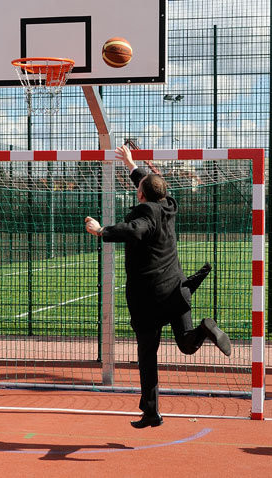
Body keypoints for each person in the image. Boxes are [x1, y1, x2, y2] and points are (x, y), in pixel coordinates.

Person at [84, 145, 231, 429]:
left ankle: (151, 411)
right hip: (176, 289)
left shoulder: (145, 213)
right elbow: (152, 185)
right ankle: (205, 328)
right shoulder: (168, 205)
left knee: (147, 355)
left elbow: (135, 229)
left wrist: (102, 230)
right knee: (187, 343)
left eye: (139, 187)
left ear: (141, 194)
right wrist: (131, 164)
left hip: (148, 298)